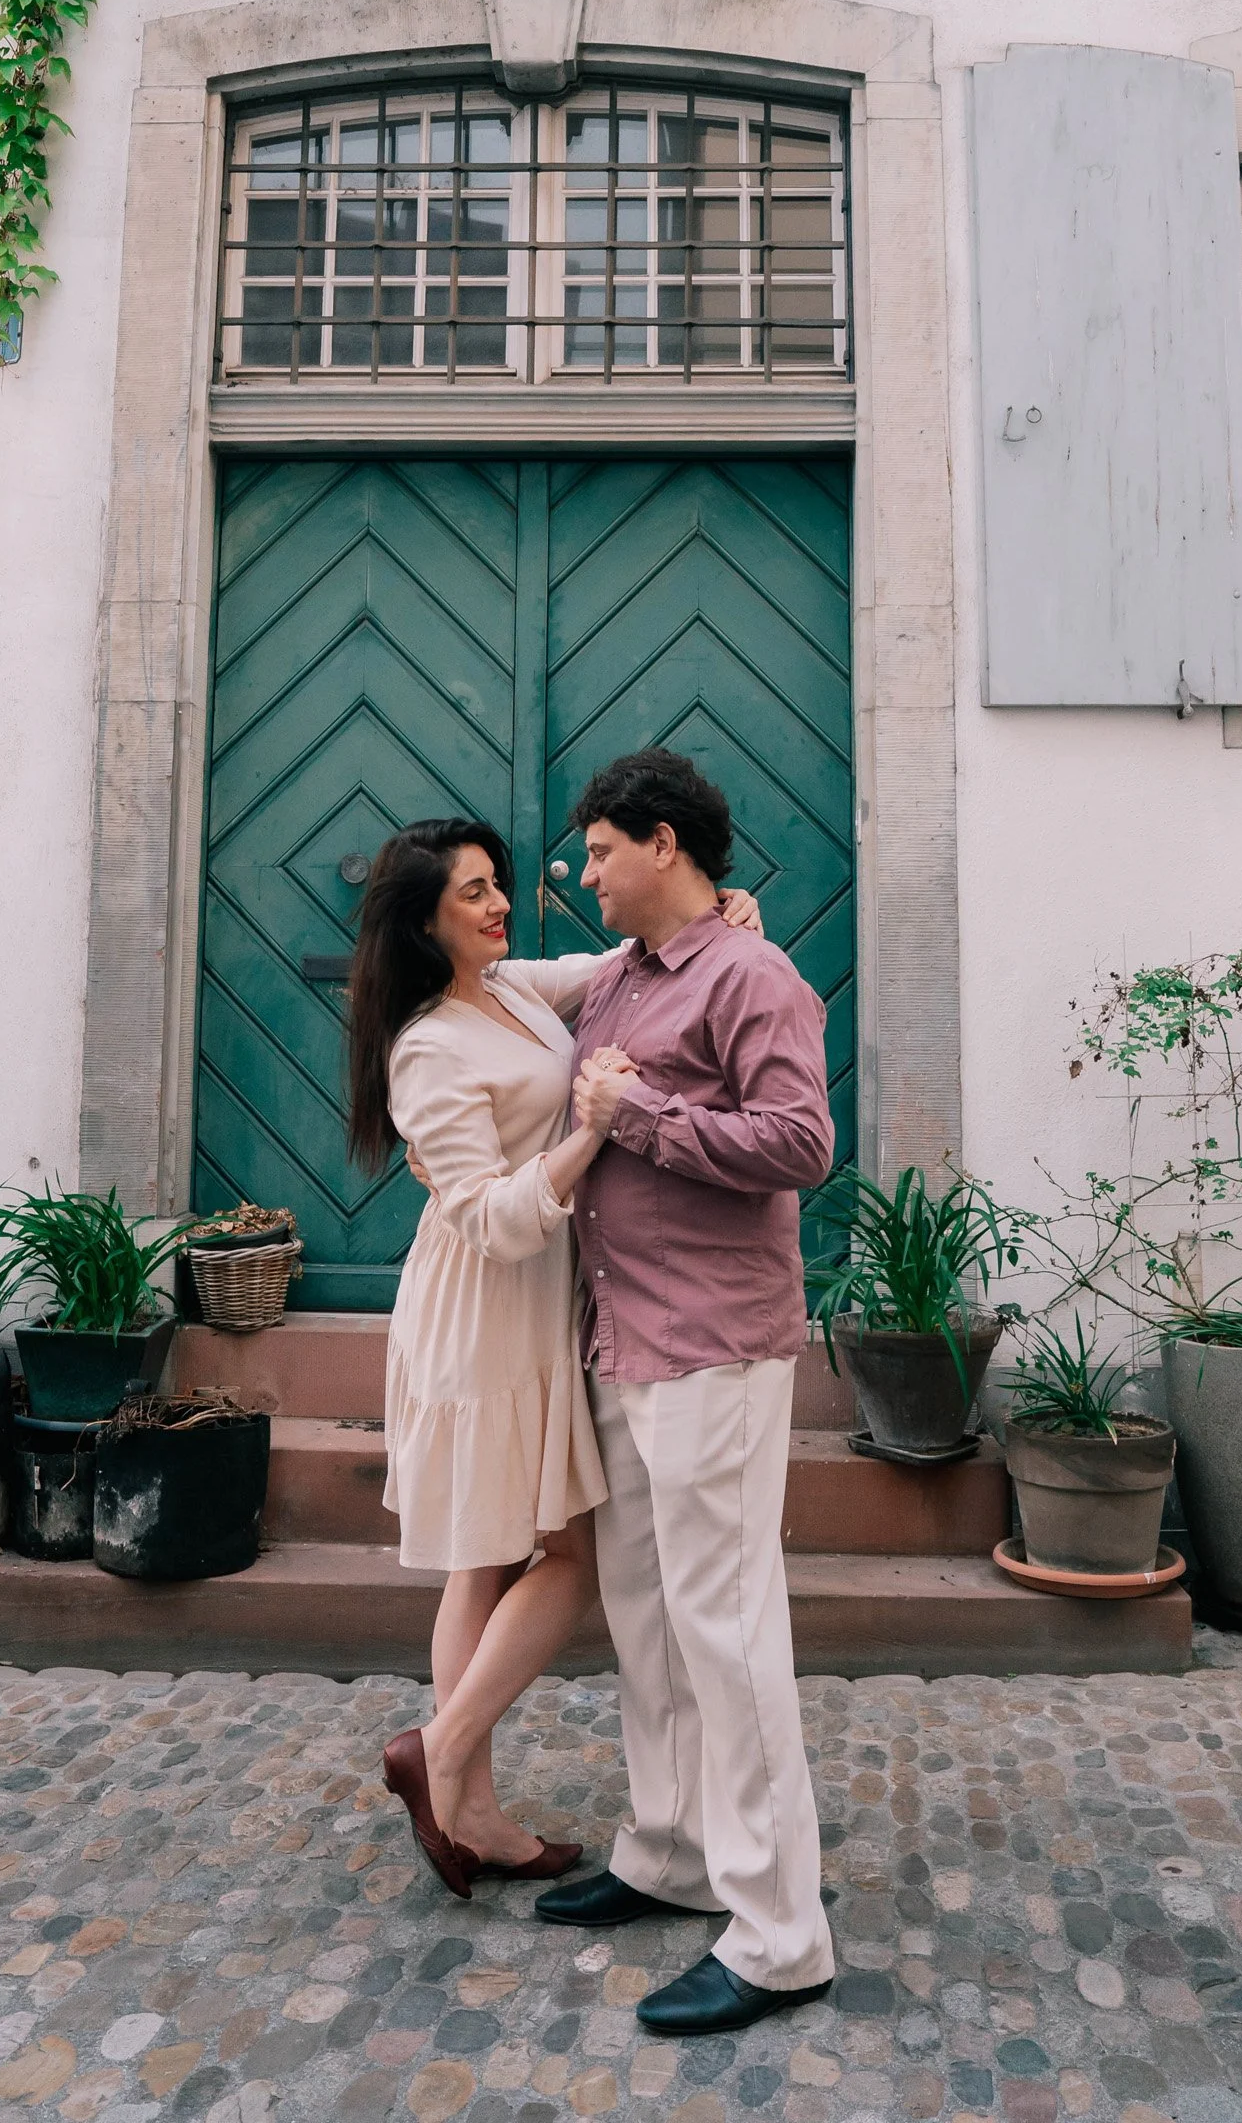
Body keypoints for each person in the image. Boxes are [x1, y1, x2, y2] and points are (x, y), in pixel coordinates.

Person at [346, 814, 762, 1898]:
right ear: (423, 924)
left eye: (496, 886)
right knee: (560, 1555)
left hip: (538, 1309)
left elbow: (619, 960)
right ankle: (439, 1761)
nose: (497, 906)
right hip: (484, 1316)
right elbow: (489, 1221)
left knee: (486, 1559)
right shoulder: (429, 1042)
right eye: (471, 895)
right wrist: (592, 1131)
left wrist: (718, 913)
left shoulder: (516, 987)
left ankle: (465, 1802)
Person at [531, 746, 838, 2041]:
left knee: (727, 1627)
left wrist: (642, 1115)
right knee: (644, 1611)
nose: (584, 873)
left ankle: (779, 1939)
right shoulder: (617, 978)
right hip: (624, 1336)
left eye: (599, 851)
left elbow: (802, 1143)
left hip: (716, 1345)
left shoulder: (752, 975)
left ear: (663, 845)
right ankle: (670, 1850)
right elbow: (486, 987)